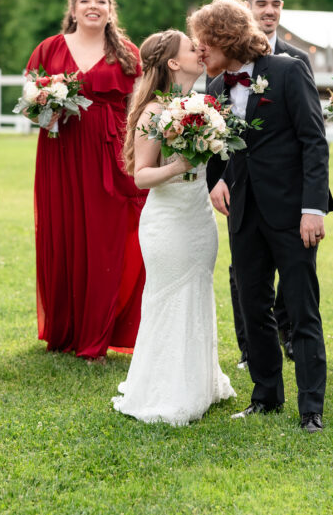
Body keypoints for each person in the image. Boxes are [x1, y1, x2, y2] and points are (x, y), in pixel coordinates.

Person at [191, 0, 333, 434]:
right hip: (243, 212)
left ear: (226, 38)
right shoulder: (214, 89)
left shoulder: (288, 72)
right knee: (253, 306)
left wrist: (312, 209)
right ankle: (266, 395)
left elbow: (314, 141)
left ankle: (311, 409)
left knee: (302, 308)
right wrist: (216, 179)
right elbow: (219, 149)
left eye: (204, 43)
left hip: (293, 213)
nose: (199, 52)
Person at [112, 30, 236, 424]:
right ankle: (166, 388)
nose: (200, 51)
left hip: (199, 217)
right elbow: (141, 176)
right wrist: (179, 166)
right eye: (191, 48)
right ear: (172, 63)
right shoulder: (153, 111)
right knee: (169, 298)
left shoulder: (201, 105)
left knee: (197, 293)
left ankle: (198, 381)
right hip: (167, 222)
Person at [27, 0, 147, 361]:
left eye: (101, 1)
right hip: (60, 152)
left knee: (105, 238)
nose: (93, 6)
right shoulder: (48, 49)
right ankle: (65, 329)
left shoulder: (127, 53)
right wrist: (49, 107)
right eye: (85, 0)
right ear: (73, 8)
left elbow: (140, 106)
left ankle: (101, 330)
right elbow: (32, 105)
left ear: (110, 11)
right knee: (62, 232)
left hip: (110, 153)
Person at [222, 0, 313, 368]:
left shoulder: (296, 61)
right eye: (262, 3)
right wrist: (218, 179)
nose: (270, 11)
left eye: (276, 3)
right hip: (241, 189)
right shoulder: (224, 65)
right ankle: (250, 349)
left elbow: (308, 134)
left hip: (285, 188)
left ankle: (290, 336)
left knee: (294, 272)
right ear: (247, 7)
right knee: (243, 275)